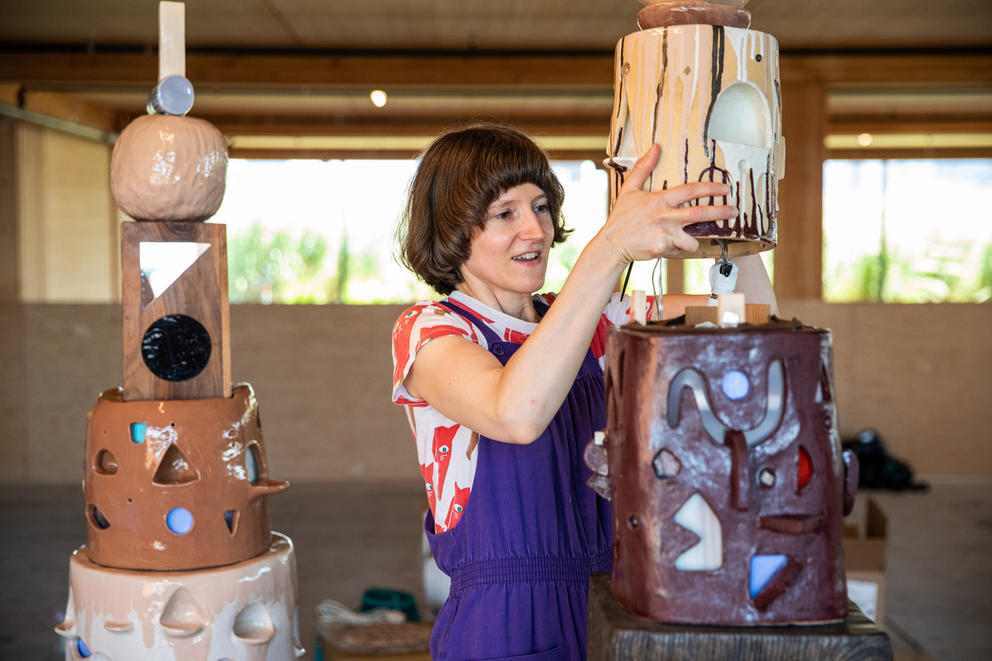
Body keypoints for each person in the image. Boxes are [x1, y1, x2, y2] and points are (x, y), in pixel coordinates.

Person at [391, 124, 774, 660]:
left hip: (609, 607)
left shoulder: (594, 320)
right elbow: (516, 413)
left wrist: (733, 220)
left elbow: (752, 321)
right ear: (453, 229)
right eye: (506, 213)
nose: (537, 230)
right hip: (505, 627)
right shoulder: (432, 332)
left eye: (542, 206)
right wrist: (610, 247)